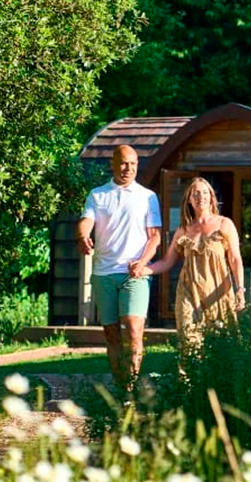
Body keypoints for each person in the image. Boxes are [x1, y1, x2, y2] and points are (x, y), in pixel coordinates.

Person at [77, 145, 161, 392]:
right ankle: (119, 384)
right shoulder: (97, 195)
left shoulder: (147, 197)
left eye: (134, 164)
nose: (129, 169)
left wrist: (143, 262)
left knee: (134, 330)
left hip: (134, 273)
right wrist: (83, 237)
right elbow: (86, 222)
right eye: (124, 163)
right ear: (113, 164)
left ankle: (131, 388)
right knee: (112, 334)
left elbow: (154, 237)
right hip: (103, 273)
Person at [131, 177, 245, 352]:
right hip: (188, 291)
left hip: (217, 292)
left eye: (205, 192)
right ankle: (188, 378)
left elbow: (235, 259)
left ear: (211, 197)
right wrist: (143, 269)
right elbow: (167, 262)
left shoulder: (224, 224)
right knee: (188, 340)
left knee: (222, 343)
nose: (201, 197)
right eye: (196, 193)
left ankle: (217, 379)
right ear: (189, 200)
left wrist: (240, 289)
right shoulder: (183, 230)